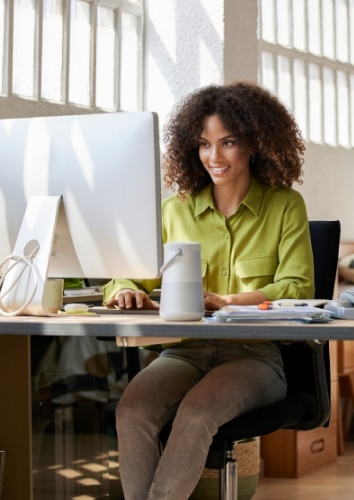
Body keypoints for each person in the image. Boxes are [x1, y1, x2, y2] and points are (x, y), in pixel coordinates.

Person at [102, 81, 314, 500]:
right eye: (203, 144)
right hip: (184, 351)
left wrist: (226, 301)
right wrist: (125, 289)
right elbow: (126, 272)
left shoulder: (285, 205)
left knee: (198, 411)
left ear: (254, 142)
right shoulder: (174, 210)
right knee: (132, 409)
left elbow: (297, 287)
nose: (214, 157)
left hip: (256, 356)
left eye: (228, 142)